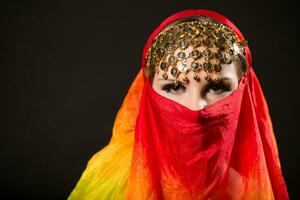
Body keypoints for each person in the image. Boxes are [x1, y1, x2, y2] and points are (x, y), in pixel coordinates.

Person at [68, 10, 289, 200]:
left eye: (217, 87)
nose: (195, 108)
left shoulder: (251, 188)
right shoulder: (108, 181)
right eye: (174, 87)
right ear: (148, 94)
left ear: (244, 90)